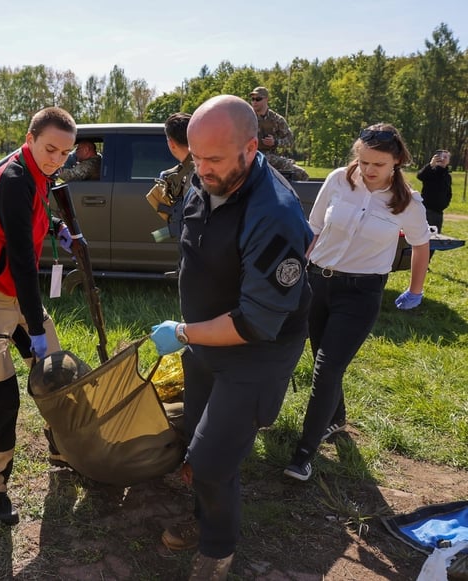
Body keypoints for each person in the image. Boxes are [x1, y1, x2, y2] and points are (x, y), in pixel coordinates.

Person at [150, 95, 312, 580]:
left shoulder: (274, 212)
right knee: (196, 444)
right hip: (205, 340)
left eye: (214, 159)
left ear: (250, 147)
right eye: (196, 156)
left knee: (212, 460)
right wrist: (193, 331)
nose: (202, 169)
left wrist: (183, 332)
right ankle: (206, 519)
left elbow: (255, 322)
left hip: (257, 351)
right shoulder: (205, 179)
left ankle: (218, 552)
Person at [284, 123, 431, 483]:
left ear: (396, 162)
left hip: (361, 293)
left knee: (326, 369)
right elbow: (314, 227)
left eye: (378, 164)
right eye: (363, 161)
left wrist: (416, 289)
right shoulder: (338, 179)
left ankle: (304, 453)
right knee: (323, 359)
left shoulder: (407, 202)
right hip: (319, 282)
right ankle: (336, 418)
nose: (368, 170)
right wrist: (298, 271)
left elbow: (420, 244)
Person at [0, 106, 77, 525]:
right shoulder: (13, 179)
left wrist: (56, 225)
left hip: (14, 292)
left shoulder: (38, 173)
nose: (56, 159)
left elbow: (30, 214)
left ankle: (63, 450)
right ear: (30, 139)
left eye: (65, 153)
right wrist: (35, 326)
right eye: (50, 149)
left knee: (56, 373)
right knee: (4, 395)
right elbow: (23, 260)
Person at [249, 86, 310, 181]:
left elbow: (290, 140)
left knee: (302, 174)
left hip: (271, 157)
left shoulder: (276, 119)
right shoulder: (247, 118)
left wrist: (275, 142)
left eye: (258, 99)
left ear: (266, 99)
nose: (254, 102)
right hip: (251, 156)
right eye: (253, 99)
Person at [417, 149, 452, 233]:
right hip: (427, 210)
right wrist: (431, 164)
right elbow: (420, 176)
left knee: (436, 235)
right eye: (440, 157)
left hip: (439, 212)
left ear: (448, 161)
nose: (442, 159)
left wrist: (445, 204)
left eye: (445, 157)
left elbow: (448, 192)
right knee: (424, 235)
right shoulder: (431, 171)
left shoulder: (447, 176)